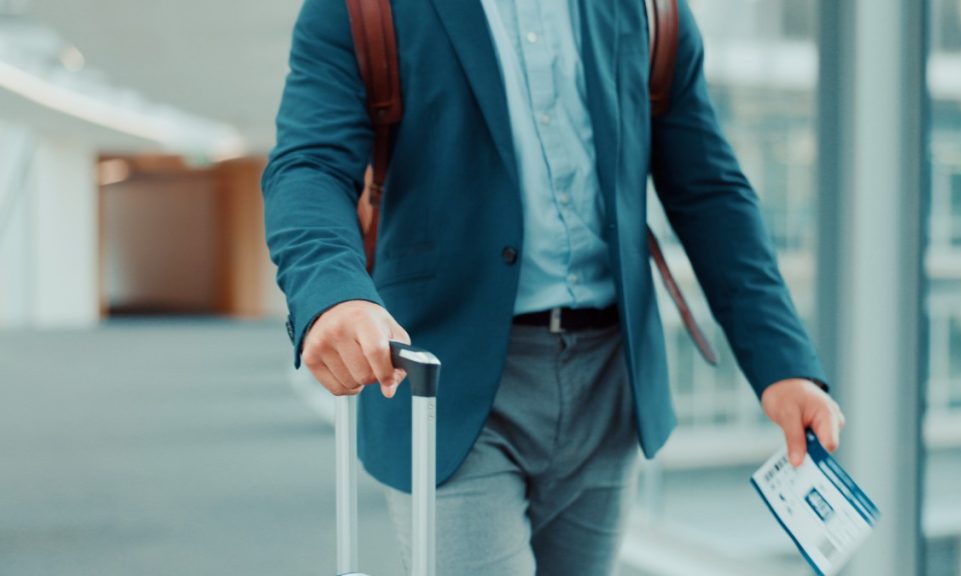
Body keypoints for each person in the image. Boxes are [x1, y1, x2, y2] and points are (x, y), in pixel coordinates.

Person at [262, 0, 846, 573]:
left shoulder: (650, 8)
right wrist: (334, 293)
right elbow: (308, 165)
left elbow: (709, 189)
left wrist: (782, 364)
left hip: (609, 387)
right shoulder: (361, 7)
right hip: (450, 378)